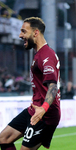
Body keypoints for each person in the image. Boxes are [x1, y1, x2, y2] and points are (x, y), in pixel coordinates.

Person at [0, 17, 61, 150]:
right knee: (3, 139)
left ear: (35, 33)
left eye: (23, 31)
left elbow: (53, 86)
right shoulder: (39, 54)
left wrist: (43, 109)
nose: (20, 35)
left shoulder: (46, 56)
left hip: (45, 114)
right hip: (34, 109)